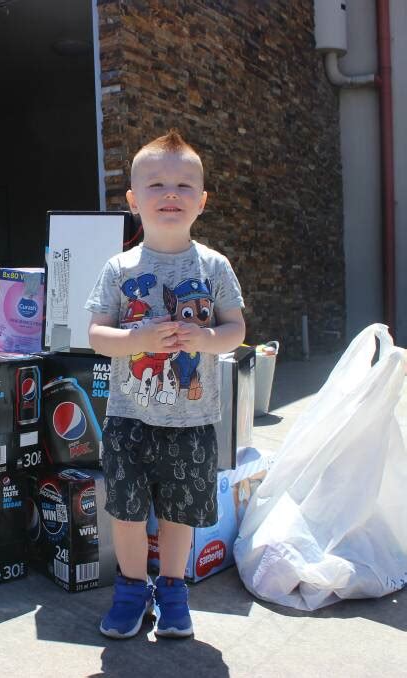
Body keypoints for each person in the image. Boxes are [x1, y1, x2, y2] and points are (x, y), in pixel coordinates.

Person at [85, 129, 245, 639]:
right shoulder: (118, 266)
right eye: (155, 185)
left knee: (179, 512)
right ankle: (132, 591)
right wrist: (140, 336)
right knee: (129, 513)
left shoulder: (215, 266)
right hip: (129, 417)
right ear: (133, 201)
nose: (169, 193)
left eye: (182, 184)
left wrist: (203, 337)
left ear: (202, 201)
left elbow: (236, 331)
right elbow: (96, 336)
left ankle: (173, 592)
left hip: (192, 419)